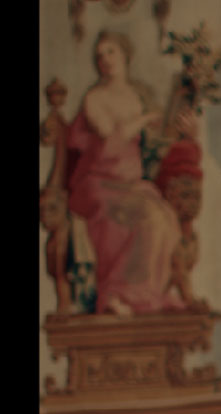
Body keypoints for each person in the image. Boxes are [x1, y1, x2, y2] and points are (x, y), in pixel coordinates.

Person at [65, 31, 186, 315]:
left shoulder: (139, 94)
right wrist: (144, 119)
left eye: (111, 52)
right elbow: (110, 142)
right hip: (98, 183)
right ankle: (115, 294)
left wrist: (180, 125)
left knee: (163, 218)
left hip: (130, 183)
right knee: (144, 216)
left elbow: (159, 141)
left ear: (125, 54)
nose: (105, 60)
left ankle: (146, 294)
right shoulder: (95, 98)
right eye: (100, 55)